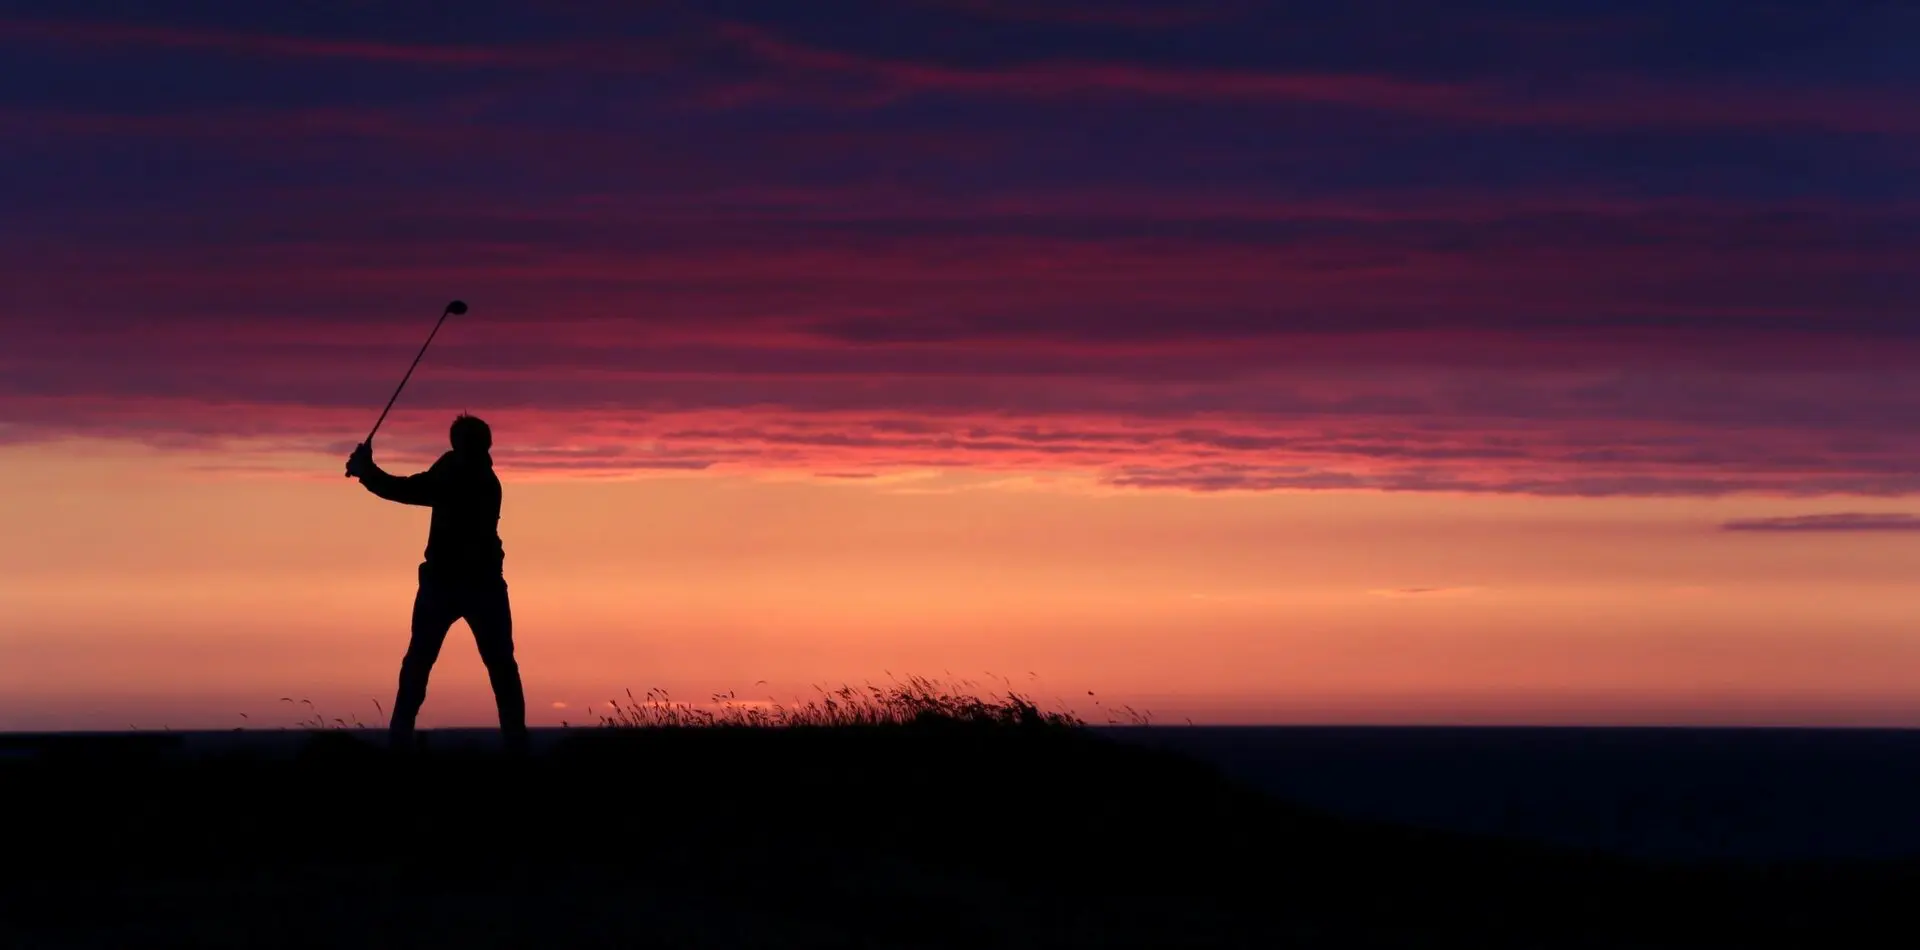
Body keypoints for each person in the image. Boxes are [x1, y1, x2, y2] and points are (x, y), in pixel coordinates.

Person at [344, 413, 527, 756]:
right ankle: (517, 747)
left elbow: (409, 490)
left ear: (460, 444)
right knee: (499, 665)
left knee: (422, 663)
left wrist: (367, 471)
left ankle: (399, 744)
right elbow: (416, 488)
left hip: (451, 584)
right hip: (479, 582)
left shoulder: (462, 476)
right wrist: (367, 471)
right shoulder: (475, 475)